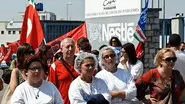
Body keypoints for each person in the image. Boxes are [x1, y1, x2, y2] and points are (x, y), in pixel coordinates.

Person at [48, 37, 78, 104]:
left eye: (72, 46)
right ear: (61, 49)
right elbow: (52, 89)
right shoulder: (54, 66)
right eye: (67, 47)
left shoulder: (82, 63)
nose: (70, 49)